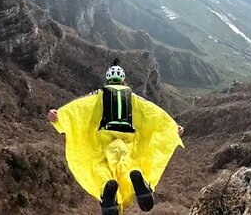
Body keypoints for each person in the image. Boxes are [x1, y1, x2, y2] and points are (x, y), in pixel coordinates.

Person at [47, 58, 184, 215]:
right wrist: (172, 129)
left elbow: (80, 107)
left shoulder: (99, 94)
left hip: (104, 139)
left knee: (98, 166)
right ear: (123, 80)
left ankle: (107, 188)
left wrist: (59, 116)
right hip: (127, 138)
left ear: (108, 79)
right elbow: (153, 113)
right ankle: (140, 185)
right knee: (127, 161)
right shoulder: (132, 97)